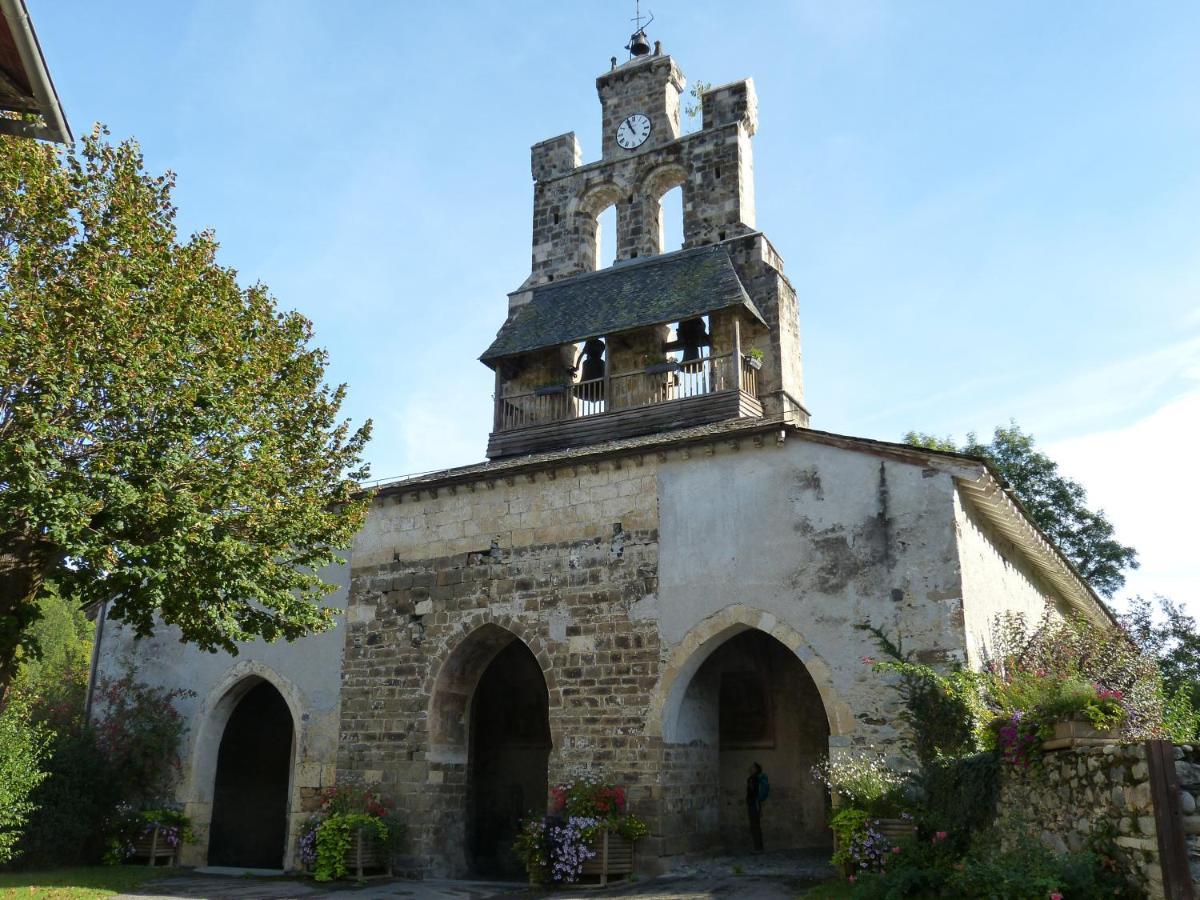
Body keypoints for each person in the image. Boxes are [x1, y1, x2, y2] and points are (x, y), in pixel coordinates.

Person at [746, 762, 768, 853]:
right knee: (756, 825)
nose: (750, 769)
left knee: (754, 825)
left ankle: (758, 848)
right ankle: (759, 847)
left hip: (754, 804)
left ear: (755, 769)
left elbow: (752, 791)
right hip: (756, 803)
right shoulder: (757, 779)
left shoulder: (753, 779)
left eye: (752, 768)